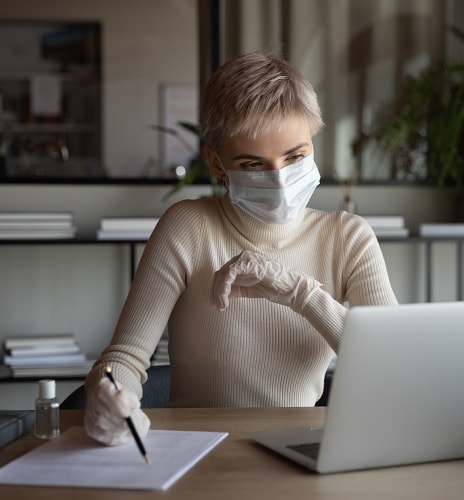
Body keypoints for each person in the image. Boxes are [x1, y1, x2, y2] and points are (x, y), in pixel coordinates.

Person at [83, 52, 398, 446]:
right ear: (217, 164)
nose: (281, 182)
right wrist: (107, 396)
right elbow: (124, 359)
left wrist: (301, 293)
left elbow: (393, 368)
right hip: (198, 454)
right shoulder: (187, 227)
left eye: (295, 156)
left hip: (301, 450)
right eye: (253, 165)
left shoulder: (349, 238)